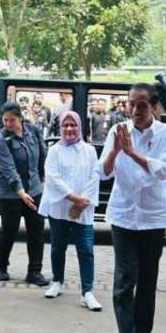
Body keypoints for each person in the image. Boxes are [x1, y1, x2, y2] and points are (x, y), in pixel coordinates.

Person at [100, 83, 166, 333]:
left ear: (154, 107)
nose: (134, 111)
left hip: (153, 216)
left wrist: (132, 153)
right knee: (124, 277)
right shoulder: (117, 131)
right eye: (130, 104)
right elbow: (103, 173)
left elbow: (163, 170)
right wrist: (115, 151)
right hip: (123, 214)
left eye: (141, 105)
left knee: (147, 279)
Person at [38, 111, 102, 311]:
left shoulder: (89, 151)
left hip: (83, 208)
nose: (69, 129)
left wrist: (82, 202)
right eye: (65, 125)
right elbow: (53, 178)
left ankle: (87, 292)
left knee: (86, 250)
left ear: (80, 127)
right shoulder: (55, 151)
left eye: (73, 125)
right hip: (60, 206)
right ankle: (57, 281)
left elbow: (95, 176)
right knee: (58, 247)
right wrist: (73, 198)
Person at [0, 101, 49, 285]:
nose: (8, 124)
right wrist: (21, 192)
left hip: (34, 189)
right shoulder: (1, 140)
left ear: (21, 118)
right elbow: (9, 169)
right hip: (10, 193)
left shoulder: (33, 132)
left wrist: (42, 179)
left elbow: (42, 155)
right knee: (9, 229)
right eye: (5, 120)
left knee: (36, 230)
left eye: (12, 120)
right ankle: (1, 266)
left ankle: (35, 271)